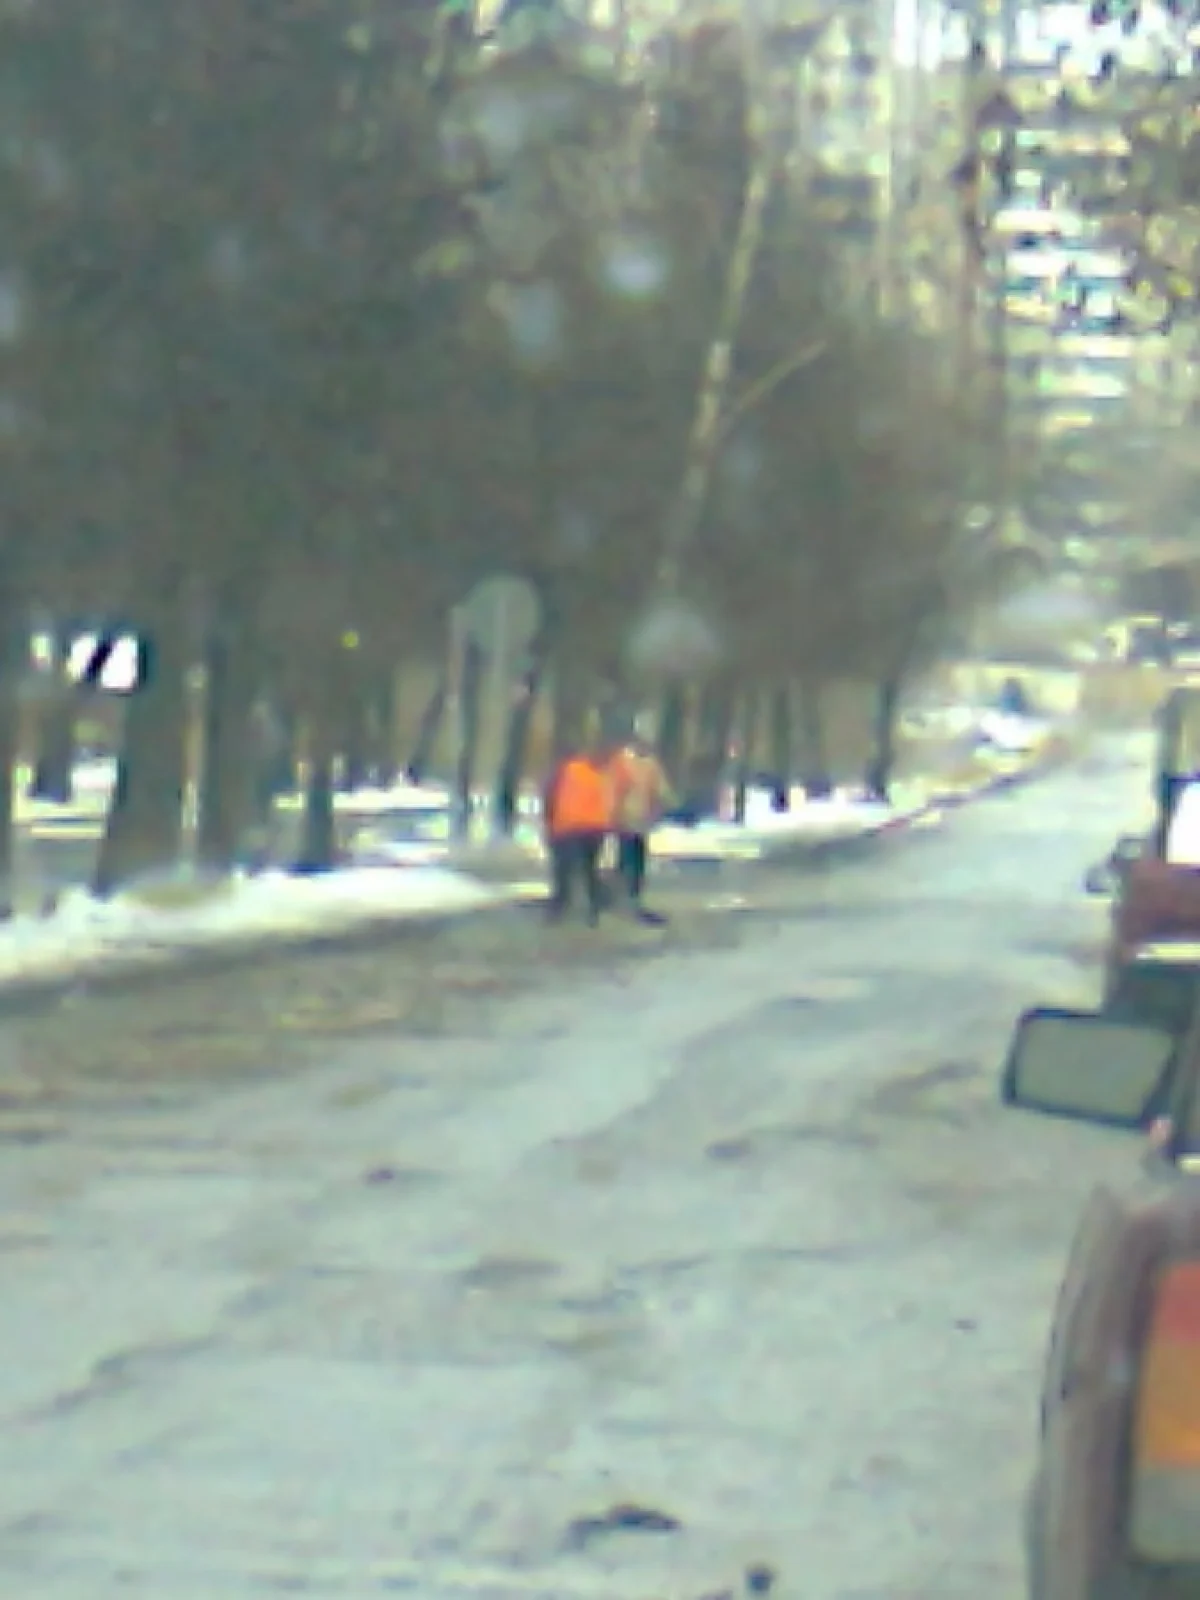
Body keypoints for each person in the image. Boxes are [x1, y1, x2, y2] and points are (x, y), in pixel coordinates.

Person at [542, 737, 614, 926]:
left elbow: (550, 796)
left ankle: (560, 907)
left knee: (563, 869)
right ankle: (594, 907)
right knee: (589, 868)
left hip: (569, 827)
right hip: (595, 828)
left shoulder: (566, 771)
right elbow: (608, 801)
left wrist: (549, 822)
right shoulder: (600, 774)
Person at [608, 733, 673, 923]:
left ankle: (630, 897)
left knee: (635, 860)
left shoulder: (649, 764)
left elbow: (660, 788)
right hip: (626, 819)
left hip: (640, 820)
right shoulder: (622, 762)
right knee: (628, 859)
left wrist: (667, 801)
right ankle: (624, 897)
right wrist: (611, 813)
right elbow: (612, 788)